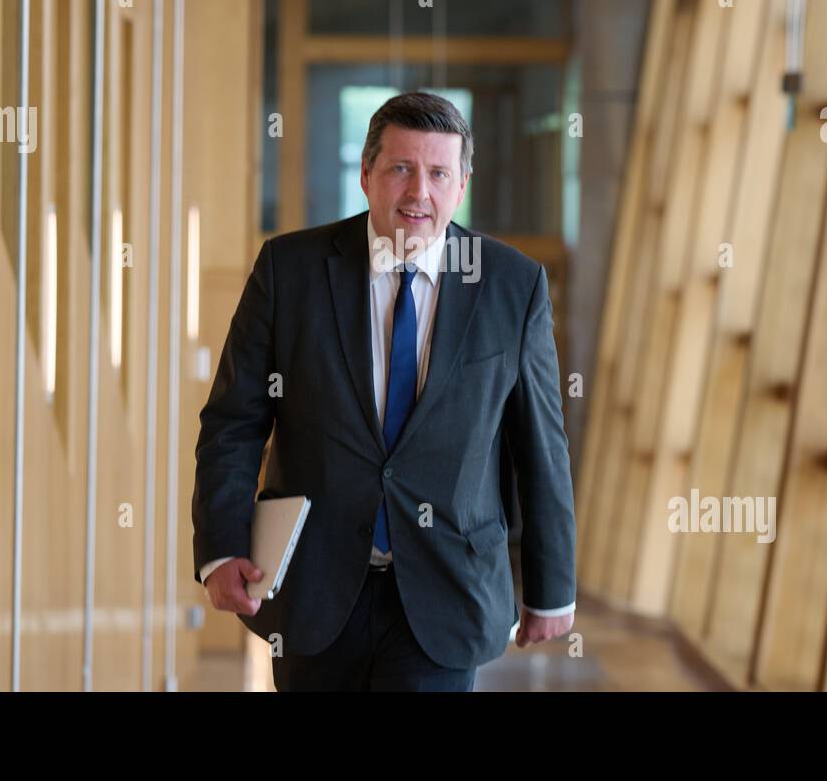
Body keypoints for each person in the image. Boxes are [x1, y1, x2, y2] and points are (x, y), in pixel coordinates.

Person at [192, 91, 576, 691]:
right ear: (367, 174)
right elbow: (233, 422)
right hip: (314, 592)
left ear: (462, 184)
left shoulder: (512, 285)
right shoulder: (289, 271)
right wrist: (221, 547)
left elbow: (541, 446)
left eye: (438, 173)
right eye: (401, 168)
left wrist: (552, 588)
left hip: (447, 592)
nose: (419, 192)